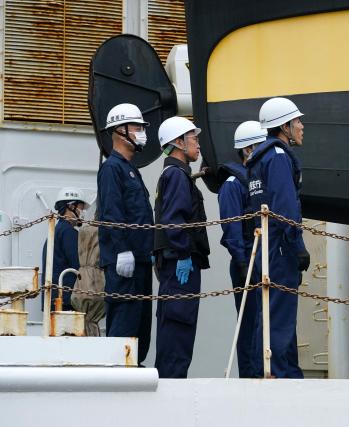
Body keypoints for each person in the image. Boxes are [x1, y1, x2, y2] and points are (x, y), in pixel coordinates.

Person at [247, 97, 310, 378]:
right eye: (297, 121)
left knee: (268, 311)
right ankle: (279, 374)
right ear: (284, 126)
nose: (301, 126)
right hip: (282, 247)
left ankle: (267, 369)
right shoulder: (280, 157)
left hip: (266, 245)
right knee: (281, 315)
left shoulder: (258, 159)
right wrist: (298, 246)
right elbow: (286, 208)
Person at [153, 116, 210, 378]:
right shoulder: (176, 176)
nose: (198, 144)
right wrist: (184, 254)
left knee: (174, 332)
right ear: (178, 142)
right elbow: (174, 220)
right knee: (178, 333)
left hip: (174, 264)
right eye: (194, 139)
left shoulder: (174, 175)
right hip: (180, 266)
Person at [97, 103, 154, 366]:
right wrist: (121, 250)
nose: (142, 132)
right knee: (125, 323)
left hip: (139, 260)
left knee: (141, 325)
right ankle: (119, 372)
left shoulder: (131, 169)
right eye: (138, 127)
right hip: (124, 263)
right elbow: (111, 212)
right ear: (121, 130)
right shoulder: (112, 169)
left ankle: (134, 370)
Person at [217, 120, 266, 378]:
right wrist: (242, 261)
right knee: (248, 324)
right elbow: (232, 227)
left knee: (261, 322)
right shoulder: (232, 185)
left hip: (260, 261)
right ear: (248, 150)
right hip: (245, 261)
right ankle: (249, 376)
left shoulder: (255, 182)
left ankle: (261, 371)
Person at [41, 187, 89, 311]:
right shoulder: (69, 232)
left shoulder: (57, 230)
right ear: (71, 206)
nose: (82, 212)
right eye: (81, 208)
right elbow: (77, 264)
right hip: (65, 299)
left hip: (54, 298)